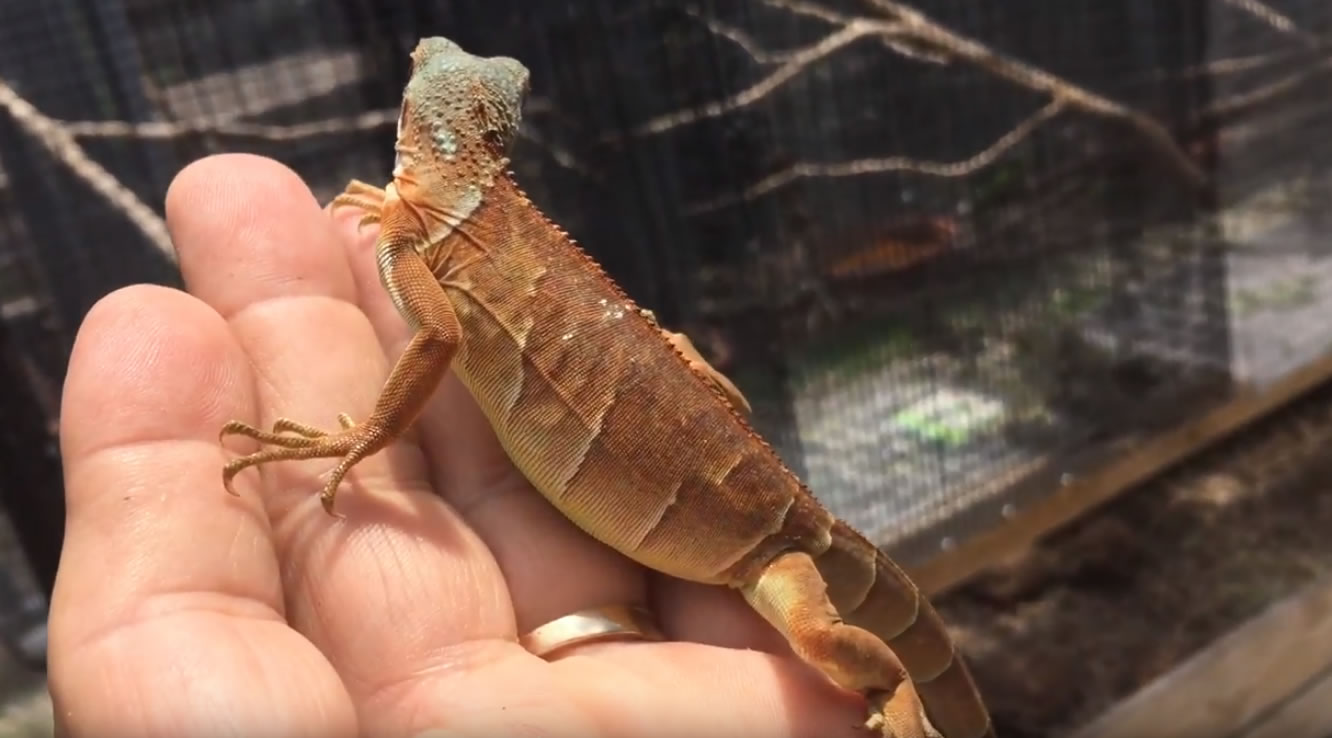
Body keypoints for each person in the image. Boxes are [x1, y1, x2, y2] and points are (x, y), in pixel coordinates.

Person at [45, 153, 866, 737]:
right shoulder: (437, 233)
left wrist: (367, 437)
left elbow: (435, 337)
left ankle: (903, 706)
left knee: (827, 645)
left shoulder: (450, 238)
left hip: (767, 544)